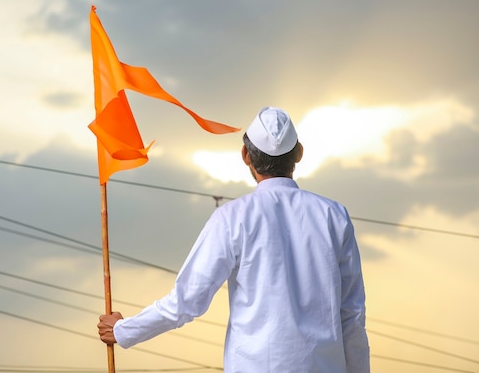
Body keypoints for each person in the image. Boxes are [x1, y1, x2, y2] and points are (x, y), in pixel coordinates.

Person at [98, 106, 370, 373]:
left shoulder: (232, 218)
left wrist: (124, 331)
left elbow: (186, 301)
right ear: (299, 153)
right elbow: (352, 316)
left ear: (245, 156)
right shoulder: (334, 216)